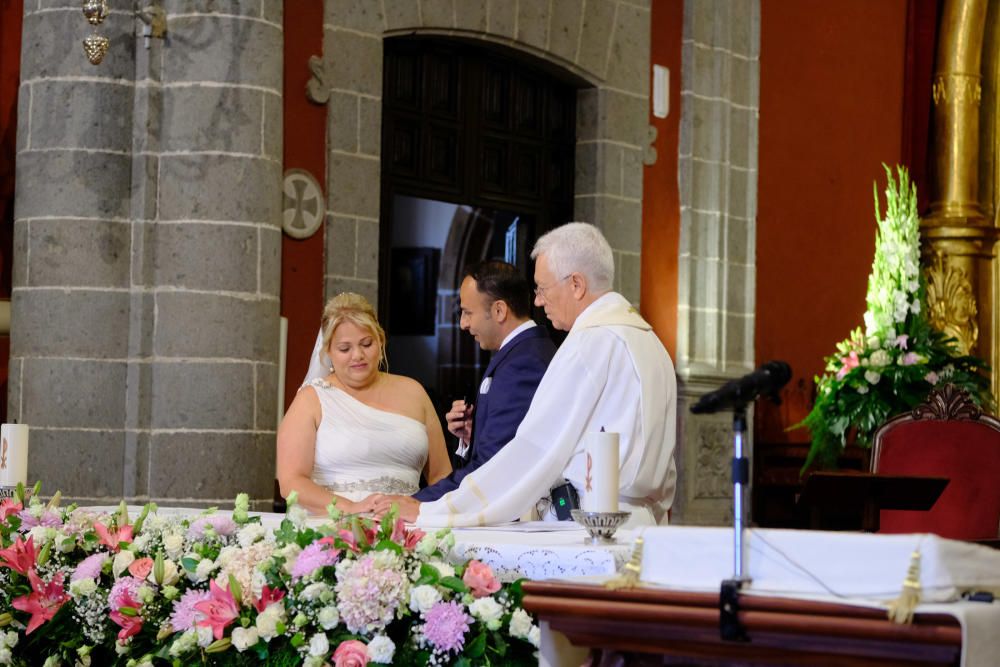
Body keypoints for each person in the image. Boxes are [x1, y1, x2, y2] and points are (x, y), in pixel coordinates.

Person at [372, 222, 677, 526]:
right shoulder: (650, 342)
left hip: (589, 525)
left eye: (543, 289)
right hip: (638, 521)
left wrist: (434, 511)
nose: (538, 302)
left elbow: (534, 449)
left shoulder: (591, 342)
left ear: (576, 284)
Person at [276, 292, 452, 514]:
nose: (357, 355)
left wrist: (422, 510)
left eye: (366, 344)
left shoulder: (414, 392)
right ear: (328, 350)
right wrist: (352, 507)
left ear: (380, 340)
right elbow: (291, 481)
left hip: (408, 528)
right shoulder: (310, 400)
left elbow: (441, 475)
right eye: (345, 348)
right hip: (334, 530)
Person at [409, 260, 555, 508]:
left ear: (499, 310)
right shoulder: (519, 353)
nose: (463, 324)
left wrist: (419, 504)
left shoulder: (523, 362)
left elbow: (495, 465)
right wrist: (473, 433)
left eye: (467, 312)